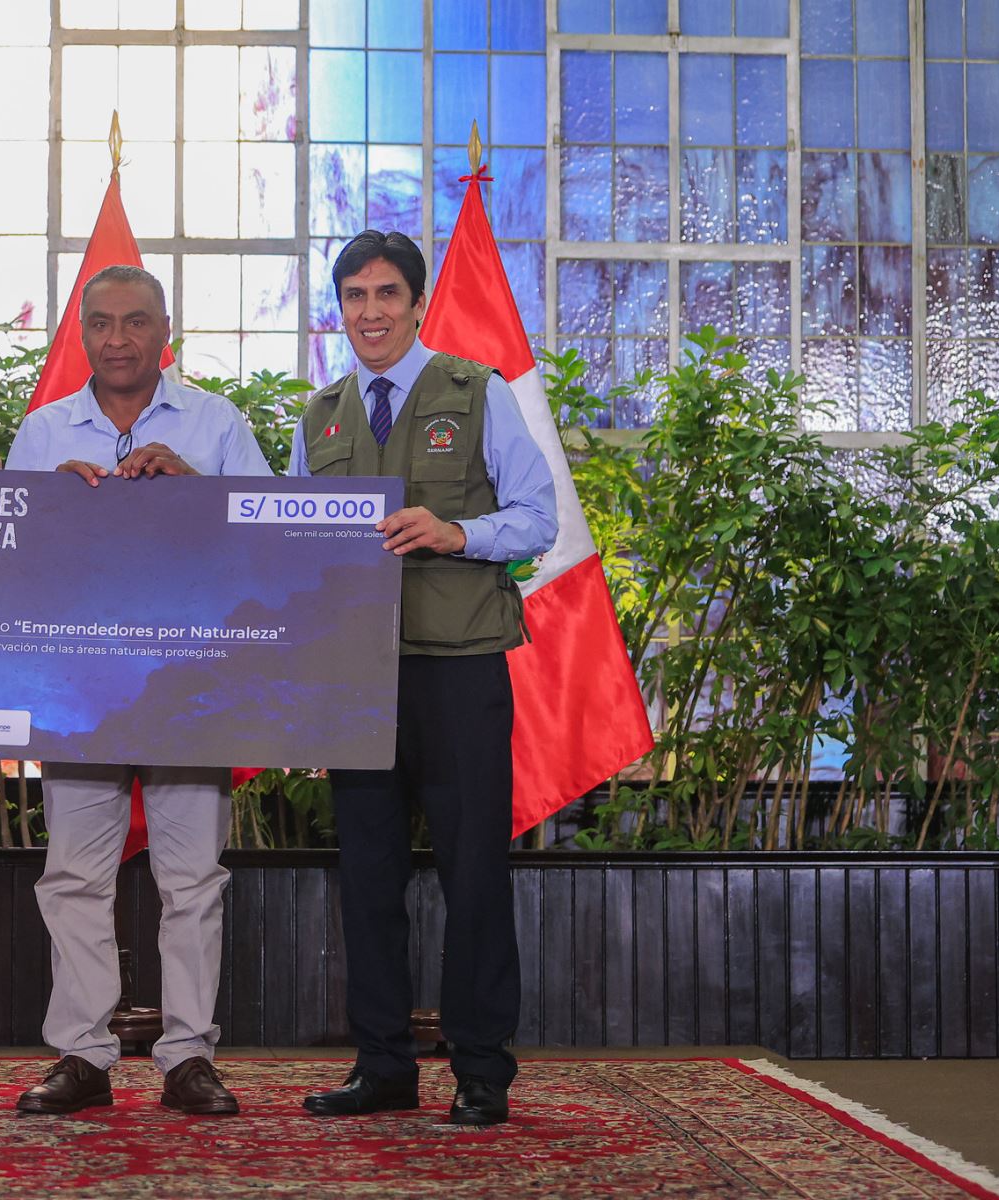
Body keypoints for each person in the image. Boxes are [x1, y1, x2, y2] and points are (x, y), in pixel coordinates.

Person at [294, 231, 557, 1125]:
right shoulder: (320, 415)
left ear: (415, 305)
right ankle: (383, 1069)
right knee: (367, 877)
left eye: (386, 295)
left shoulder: (476, 394)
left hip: (457, 670)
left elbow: (538, 519)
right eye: (354, 296)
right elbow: (295, 548)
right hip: (355, 677)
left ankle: (481, 1070)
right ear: (342, 309)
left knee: (473, 871)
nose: (370, 312)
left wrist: (458, 533)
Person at [2, 264, 272, 1117]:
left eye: (137, 321)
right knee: (74, 878)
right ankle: (81, 1058)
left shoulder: (216, 423)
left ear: (167, 332)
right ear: (81, 334)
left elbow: (273, 546)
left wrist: (201, 491)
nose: (119, 337)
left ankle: (188, 1056)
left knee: (192, 878)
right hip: (79, 687)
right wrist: (48, 509)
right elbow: (5, 561)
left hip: (193, 683)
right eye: (103, 322)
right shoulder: (42, 432)